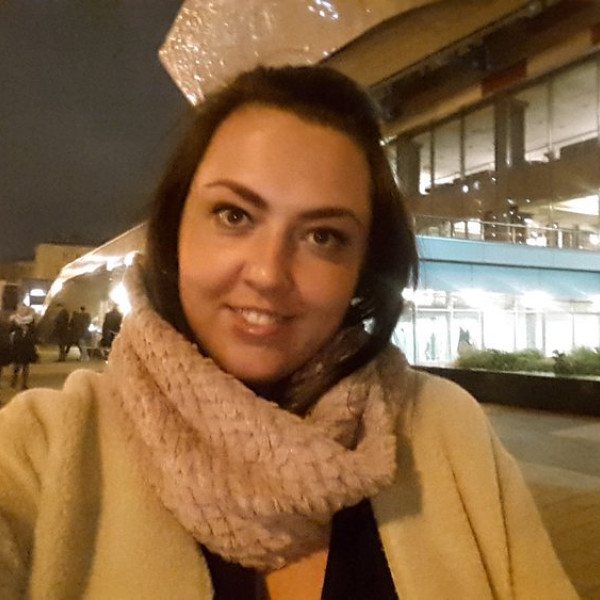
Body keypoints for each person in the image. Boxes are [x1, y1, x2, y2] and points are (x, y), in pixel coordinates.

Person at [0, 65, 577, 599]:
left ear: (362, 269)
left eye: (323, 237)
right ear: (175, 230)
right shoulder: (44, 447)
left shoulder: (447, 433)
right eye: (234, 215)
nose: (269, 274)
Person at [8, 304, 38, 391]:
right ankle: (15, 383)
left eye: (23, 309)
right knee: (18, 365)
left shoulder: (29, 319)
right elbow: (10, 329)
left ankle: (22, 384)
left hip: (24, 344)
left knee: (24, 365)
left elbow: (34, 331)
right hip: (20, 344)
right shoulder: (16, 319)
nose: (22, 310)